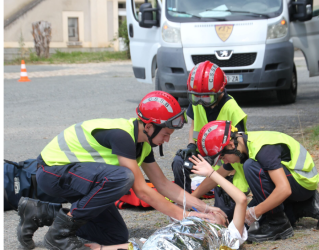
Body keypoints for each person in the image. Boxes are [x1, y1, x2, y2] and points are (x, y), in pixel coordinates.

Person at [17, 91, 226, 250]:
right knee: (123, 178)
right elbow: (142, 191)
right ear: (149, 126)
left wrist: (204, 210)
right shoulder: (122, 136)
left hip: (76, 178)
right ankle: (58, 237)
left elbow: (162, 185)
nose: (168, 139)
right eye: (166, 133)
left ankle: (41, 213)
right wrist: (185, 216)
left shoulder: (143, 144)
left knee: (115, 236)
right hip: (51, 171)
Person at [193, 120, 319, 242]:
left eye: (222, 157)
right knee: (245, 220)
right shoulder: (239, 149)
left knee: (251, 168)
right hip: (292, 185)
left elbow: (284, 189)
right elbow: (214, 178)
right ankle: (307, 205)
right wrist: (188, 199)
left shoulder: (263, 150)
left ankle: (278, 225)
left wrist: (255, 212)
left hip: (302, 183)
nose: (222, 160)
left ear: (230, 145)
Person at [84, 154, 248, 250]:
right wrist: (102, 248)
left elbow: (241, 199)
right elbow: (139, 244)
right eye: (212, 210)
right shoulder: (187, 220)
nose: (212, 212)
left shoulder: (230, 235)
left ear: (227, 223)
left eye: (219, 214)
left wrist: (211, 172)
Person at [172, 60, 248, 222]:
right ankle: (182, 203)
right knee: (180, 162)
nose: (201, 103)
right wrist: (191, 146)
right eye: (196, 97)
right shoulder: (199, 100)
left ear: (220, 91)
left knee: (226, 214)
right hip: (205, 151)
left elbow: (239, 150)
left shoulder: (231, 108)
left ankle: (192, 200)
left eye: (206, 98)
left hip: (225, 161)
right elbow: (193, 125)